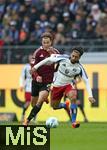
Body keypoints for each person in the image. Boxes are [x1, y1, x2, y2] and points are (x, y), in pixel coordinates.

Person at [31, 47, 96, 128]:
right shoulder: (62, 58)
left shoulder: (79, 68)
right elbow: (48, 60)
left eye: (76, 57)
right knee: (54, 106)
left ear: (79, 58)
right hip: (57, 86)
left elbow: (86, 81)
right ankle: (65, 105)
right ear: (71, 54)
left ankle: (73, 122)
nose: (73, 58)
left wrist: (90, 96)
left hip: (68, 85)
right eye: (73, 55)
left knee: (73, 97)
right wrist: (35, 67)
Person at [23, 32, 69, 126]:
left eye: (47, 42)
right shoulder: (37, 52)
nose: (45, 44)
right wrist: (37, 76)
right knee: (33, 104)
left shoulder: (55, 52)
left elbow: (60, 64)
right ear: (42, 42)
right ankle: (44, 98)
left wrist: (56, 70)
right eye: (44, 42)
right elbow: (32, 67)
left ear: (51, 42)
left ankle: (27, 121)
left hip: (47, 81)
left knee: (39, 102)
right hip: (36, 81)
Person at [19, 54, 32, 122]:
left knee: (36, 103)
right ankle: (23, 115)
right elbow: (22, 76)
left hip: (36, 86)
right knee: (28, 102)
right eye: (30, 58)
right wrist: (21, 85)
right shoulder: (26, 67)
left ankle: (33, 118)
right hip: (28, 87)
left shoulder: (38, 66)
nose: (31, 59)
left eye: (33, 58)